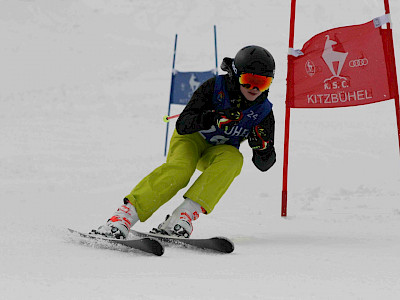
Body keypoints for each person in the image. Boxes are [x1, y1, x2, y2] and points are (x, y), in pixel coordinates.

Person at [93, 45, 277, 239]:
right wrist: (213, 117)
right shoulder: (215, 87)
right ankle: (123, 216)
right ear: (235, 75)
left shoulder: (263, 112)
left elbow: (264, 165)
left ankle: (182, 216)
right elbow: (183, 124)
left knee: (234, 159)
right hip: (191, 139)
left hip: (218, 151)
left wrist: (263, 148)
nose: (254, 89)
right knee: (181, 170)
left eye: (262, 83)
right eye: (248, 81)